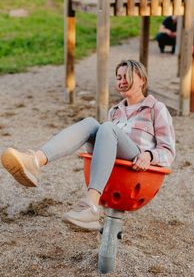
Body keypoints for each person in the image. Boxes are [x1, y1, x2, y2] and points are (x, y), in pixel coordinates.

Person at [1, 60, 175, 231]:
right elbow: (106, 144)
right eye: (118, 77)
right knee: (91, 122)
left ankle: (91, 206)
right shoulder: (114, 111)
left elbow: (168, 151)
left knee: (107, 127)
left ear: (142, 79)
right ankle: (35, 161)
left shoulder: (156, 108)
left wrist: (149, 155)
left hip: (136, 166)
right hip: (112, 167)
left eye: (127, 76)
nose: (121, 81)